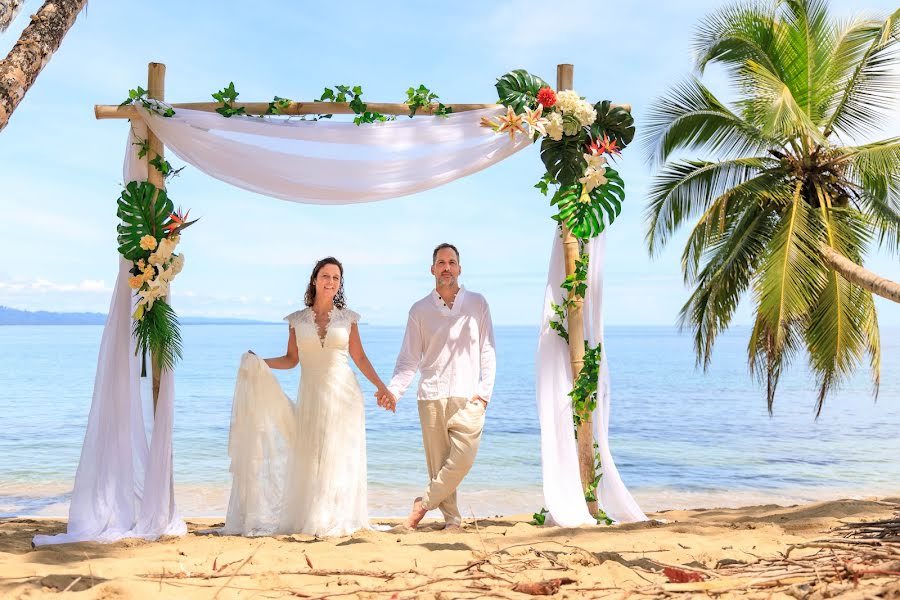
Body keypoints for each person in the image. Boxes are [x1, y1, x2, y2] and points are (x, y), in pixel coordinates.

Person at [225, 256, 391, 537]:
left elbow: (359, 357)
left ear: (340, 284)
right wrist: (261, 362)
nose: (330, 282)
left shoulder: (348, 318)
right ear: (315, 279)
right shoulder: (297, 320)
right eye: (325, 276)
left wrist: (381, 386)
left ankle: (334, 517)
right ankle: (314, 515)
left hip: (345, 394)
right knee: (313, 453)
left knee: (339, 455)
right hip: (313, 393)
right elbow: (292, 360)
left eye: (336, 278)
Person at [377, 243, 496, 530]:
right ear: (432, 269)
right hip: (430, 395)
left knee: (463, 459)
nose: (446, 267)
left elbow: (487, 350)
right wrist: (394, 391)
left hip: (468, 396)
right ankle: (452, 520)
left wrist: (484, 394)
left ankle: (424, 503)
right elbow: (408, 358)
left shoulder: (477, 303)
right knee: (439, 465)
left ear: (459, 268)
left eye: (451, 262)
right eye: (441, 262)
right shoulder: (419, 310)